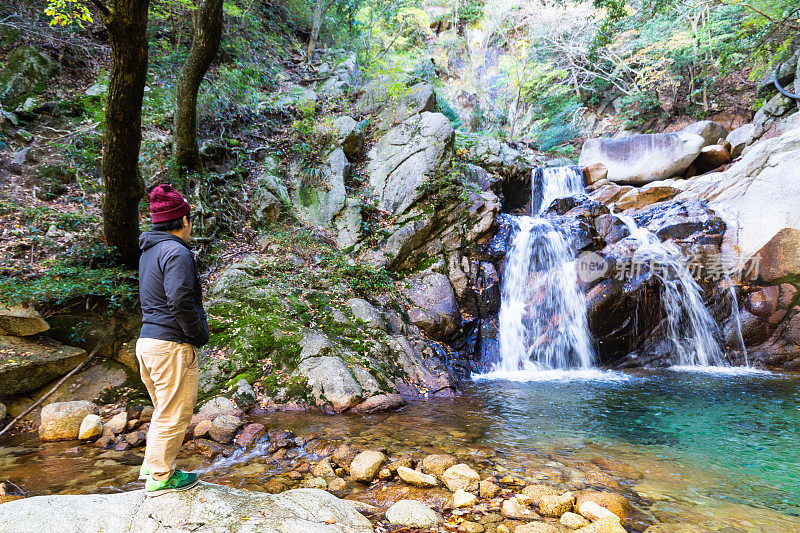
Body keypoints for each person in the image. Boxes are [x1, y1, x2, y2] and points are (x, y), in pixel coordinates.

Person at [136, 184, 208, 496]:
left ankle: (151, 465)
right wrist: (196, 334)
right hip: (171, 346)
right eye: (190, 219)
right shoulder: (176, 252)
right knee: (175, 413)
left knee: (163, 408)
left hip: (147, 342)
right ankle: (161, 477)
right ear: (183, 220)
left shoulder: (149, 251)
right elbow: (180, 299)